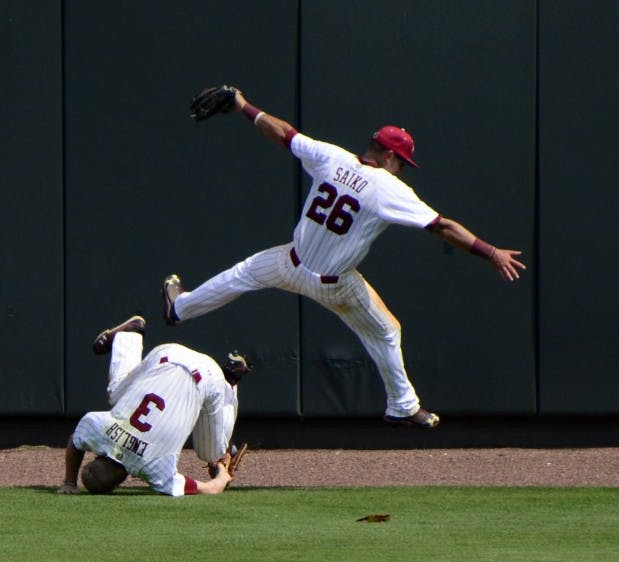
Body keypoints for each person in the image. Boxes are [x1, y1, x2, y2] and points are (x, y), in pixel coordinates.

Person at [162, 87, 526, 429]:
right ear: (389, 156)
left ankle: (180, 309)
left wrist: (243, 105)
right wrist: (490, 252)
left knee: (240, 275)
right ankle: (402, 405)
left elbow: (284, 134)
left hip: (290, 263)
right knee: (386, 331)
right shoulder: (389, 187)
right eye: (402, 162)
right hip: (336, 285)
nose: (402, 168)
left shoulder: (331, 157)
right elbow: (442, 226)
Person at [57, 314, 251, 496]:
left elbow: (210, 488)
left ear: (119, 482)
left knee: (213, 454)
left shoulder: (156, 470)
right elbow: (76, 440)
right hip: (167, 354)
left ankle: (230, 380)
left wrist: (221, 477)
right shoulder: (98, 427)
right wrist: (69, 482)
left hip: (209, 377)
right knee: (116, 394)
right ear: (97, 456)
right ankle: (129, 337)